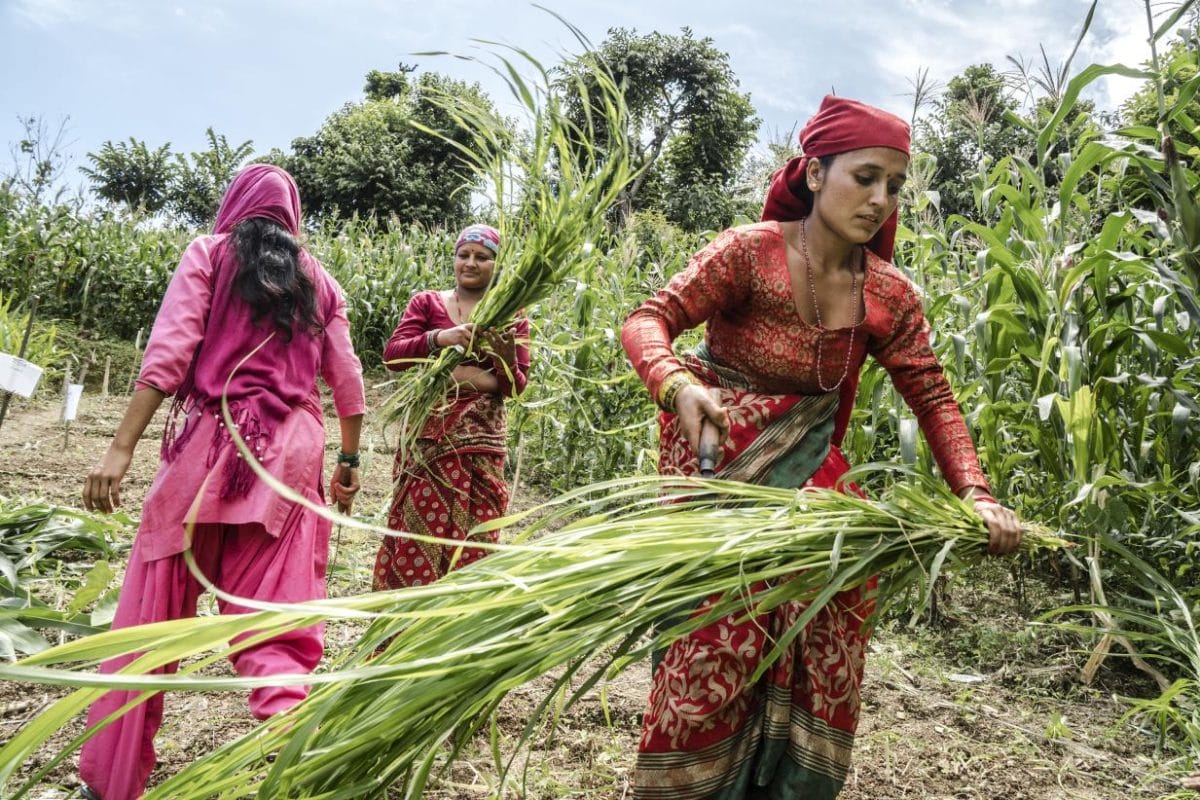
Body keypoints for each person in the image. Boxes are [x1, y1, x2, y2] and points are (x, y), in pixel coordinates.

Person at [621, 95, 1023, 799]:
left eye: (895, 186)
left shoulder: (890, 296)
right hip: (720, 481)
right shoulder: (749, 252)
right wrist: (677, 385)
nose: (880, 199)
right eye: (865, 177)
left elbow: (934, 399)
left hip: (813, 495)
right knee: (711, 650)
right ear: (813, 173)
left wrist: (977, 494)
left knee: (828, 634)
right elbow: (647, 320)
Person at [78, 164, 365, 800]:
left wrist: (120, 450)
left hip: (212, 448)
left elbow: (170, 351)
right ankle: (304, 770)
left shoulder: (210, 254)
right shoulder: (320, 281)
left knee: (151, 627)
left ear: (234, 205)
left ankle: (109, 784)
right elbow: (349, 385)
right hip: (288, 463)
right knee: (273, 628)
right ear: (292, 219)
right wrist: (346, 465)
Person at [372, 224, 529, 589]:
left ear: (496, 264)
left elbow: (516, 387)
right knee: (416, 534)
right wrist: (440, 339)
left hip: (481, 447)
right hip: (429, 441)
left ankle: (457, 631)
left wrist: (503, 360)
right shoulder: (427, 303)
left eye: (482, 257)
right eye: (463, 254)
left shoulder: (509, 314)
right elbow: (393, 357)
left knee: (475, 543)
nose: (470, 263)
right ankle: (401, 634)